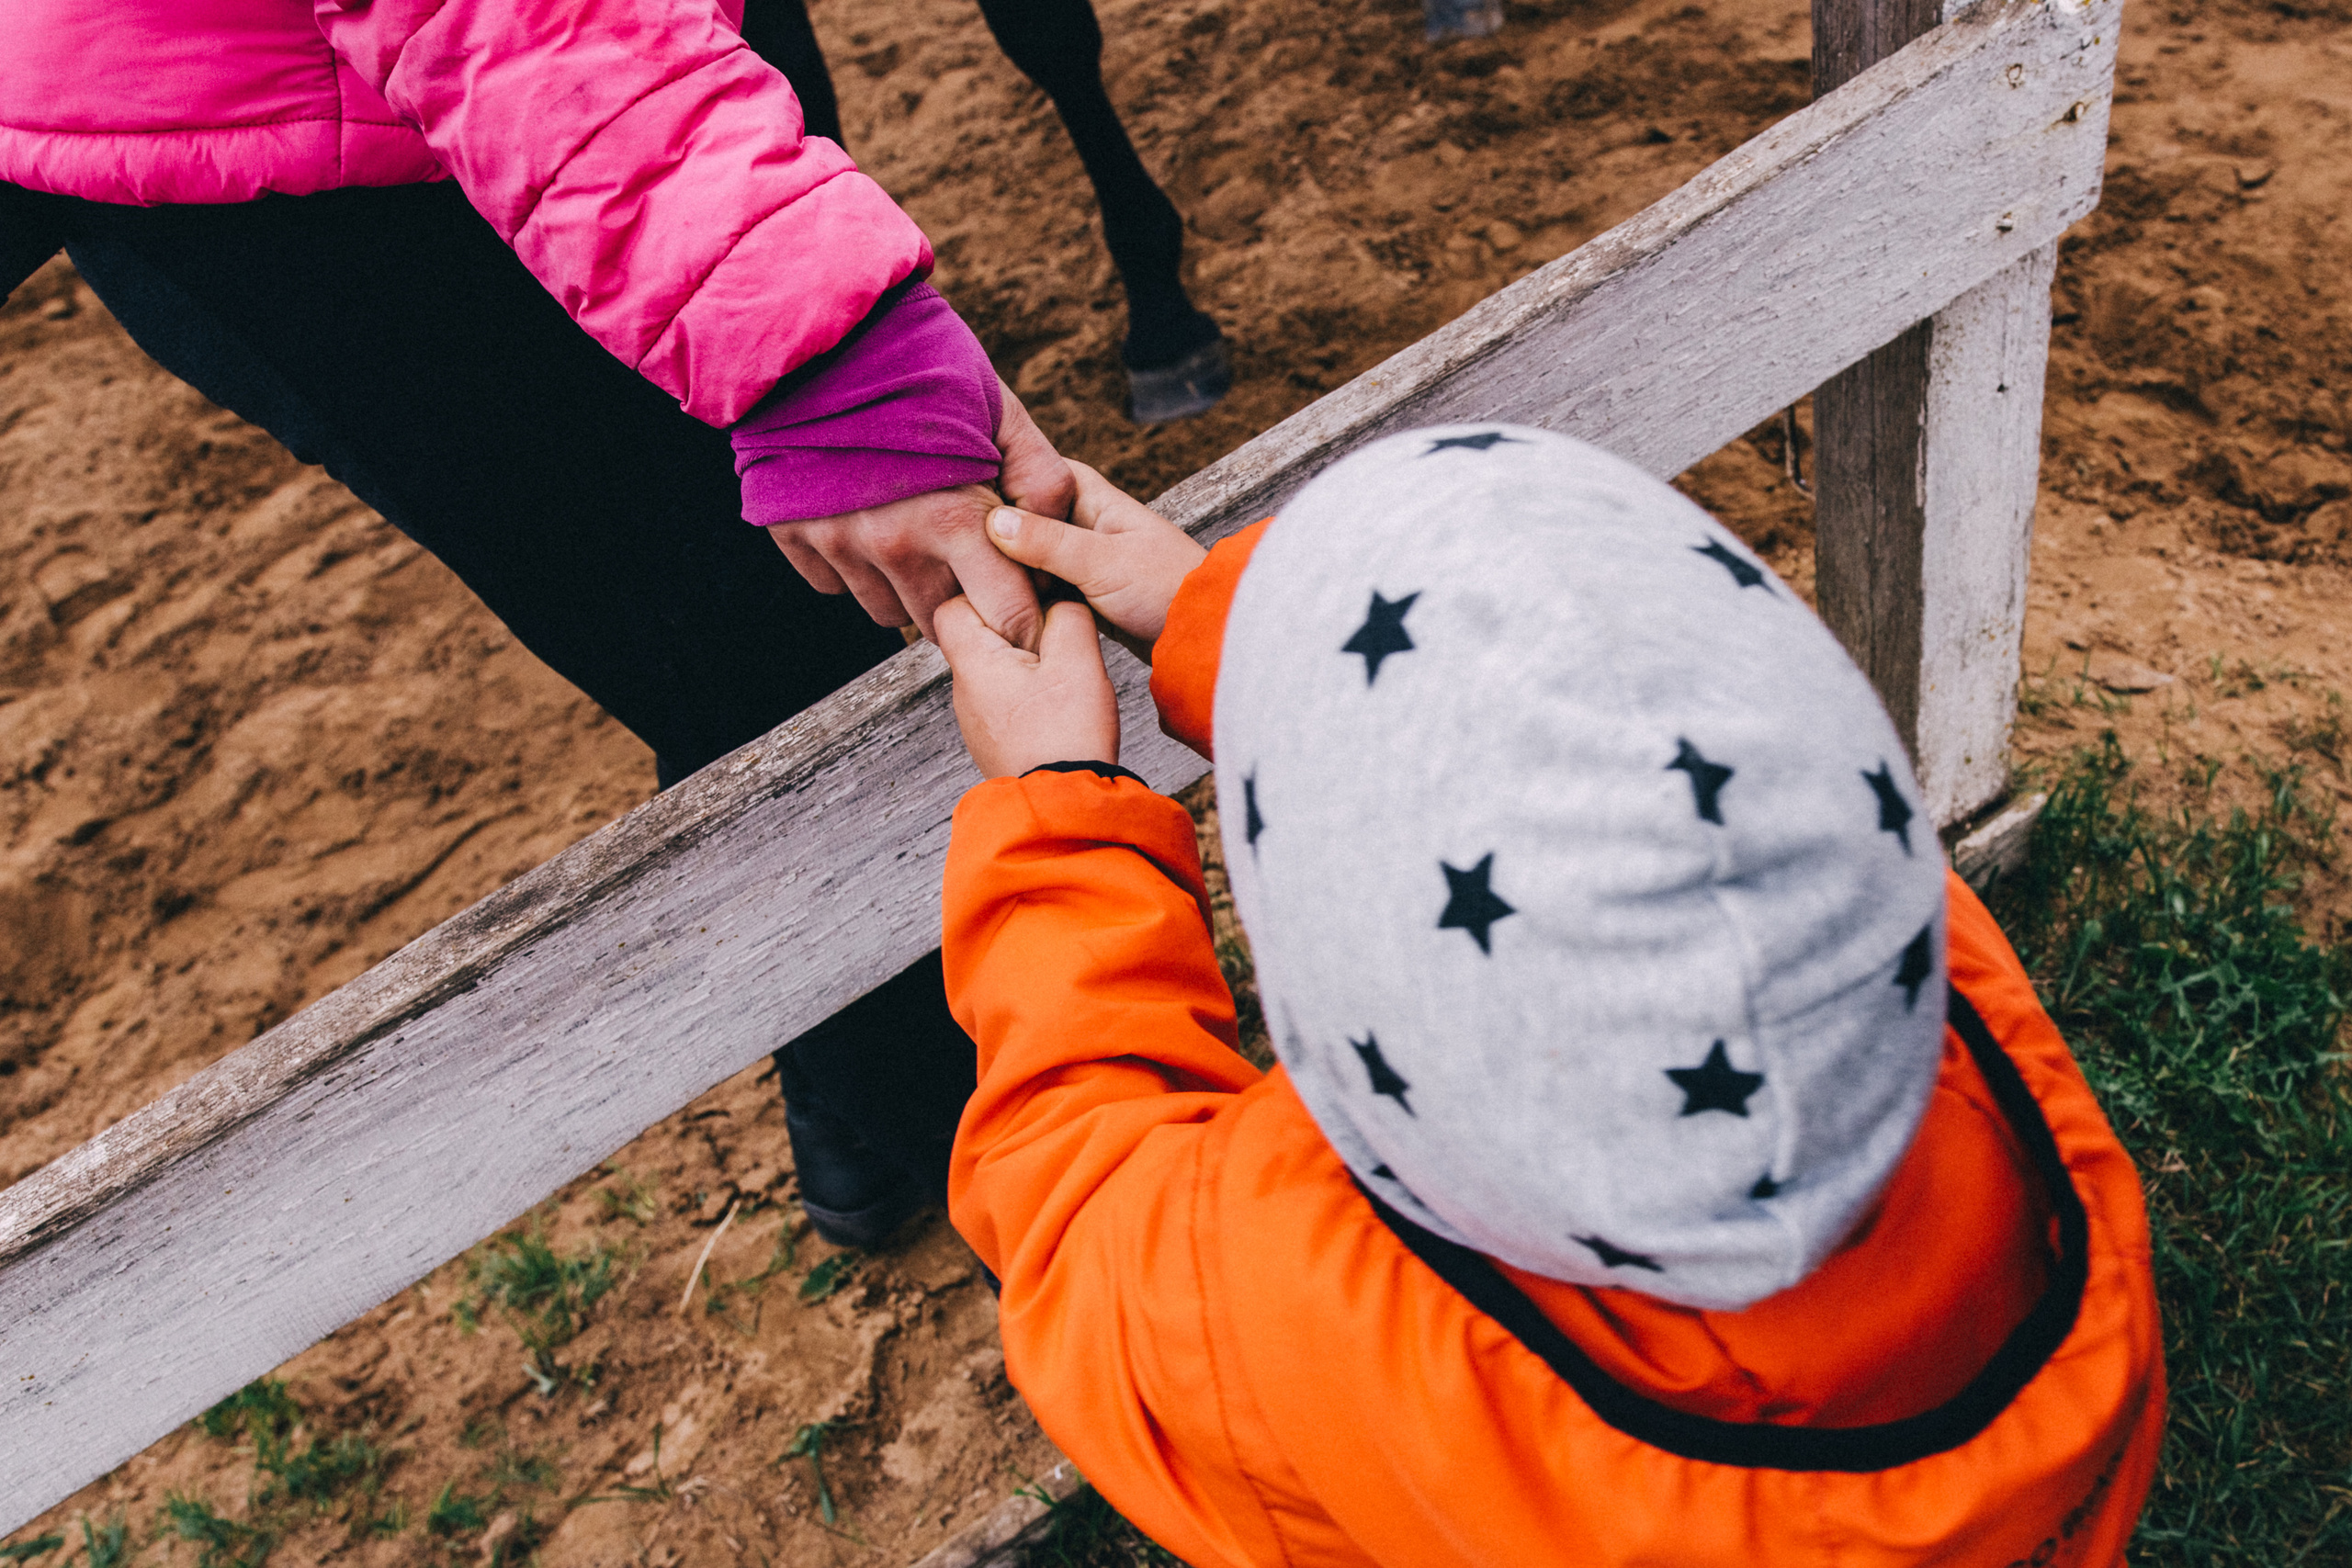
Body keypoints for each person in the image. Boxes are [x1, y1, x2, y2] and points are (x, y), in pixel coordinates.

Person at [926, 426, 2165, 1566]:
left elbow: (1078, 1206)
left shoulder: (1319, 1313)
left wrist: (1062, 817)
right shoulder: (1952, 1005)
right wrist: (1246, 632)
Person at [0, 0, 1054, 1244]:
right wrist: (817, 349)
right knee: (753, 639)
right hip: (306, 137)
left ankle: (859, 1071)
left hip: (551, 51)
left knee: (745, 629)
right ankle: (960, 1132)